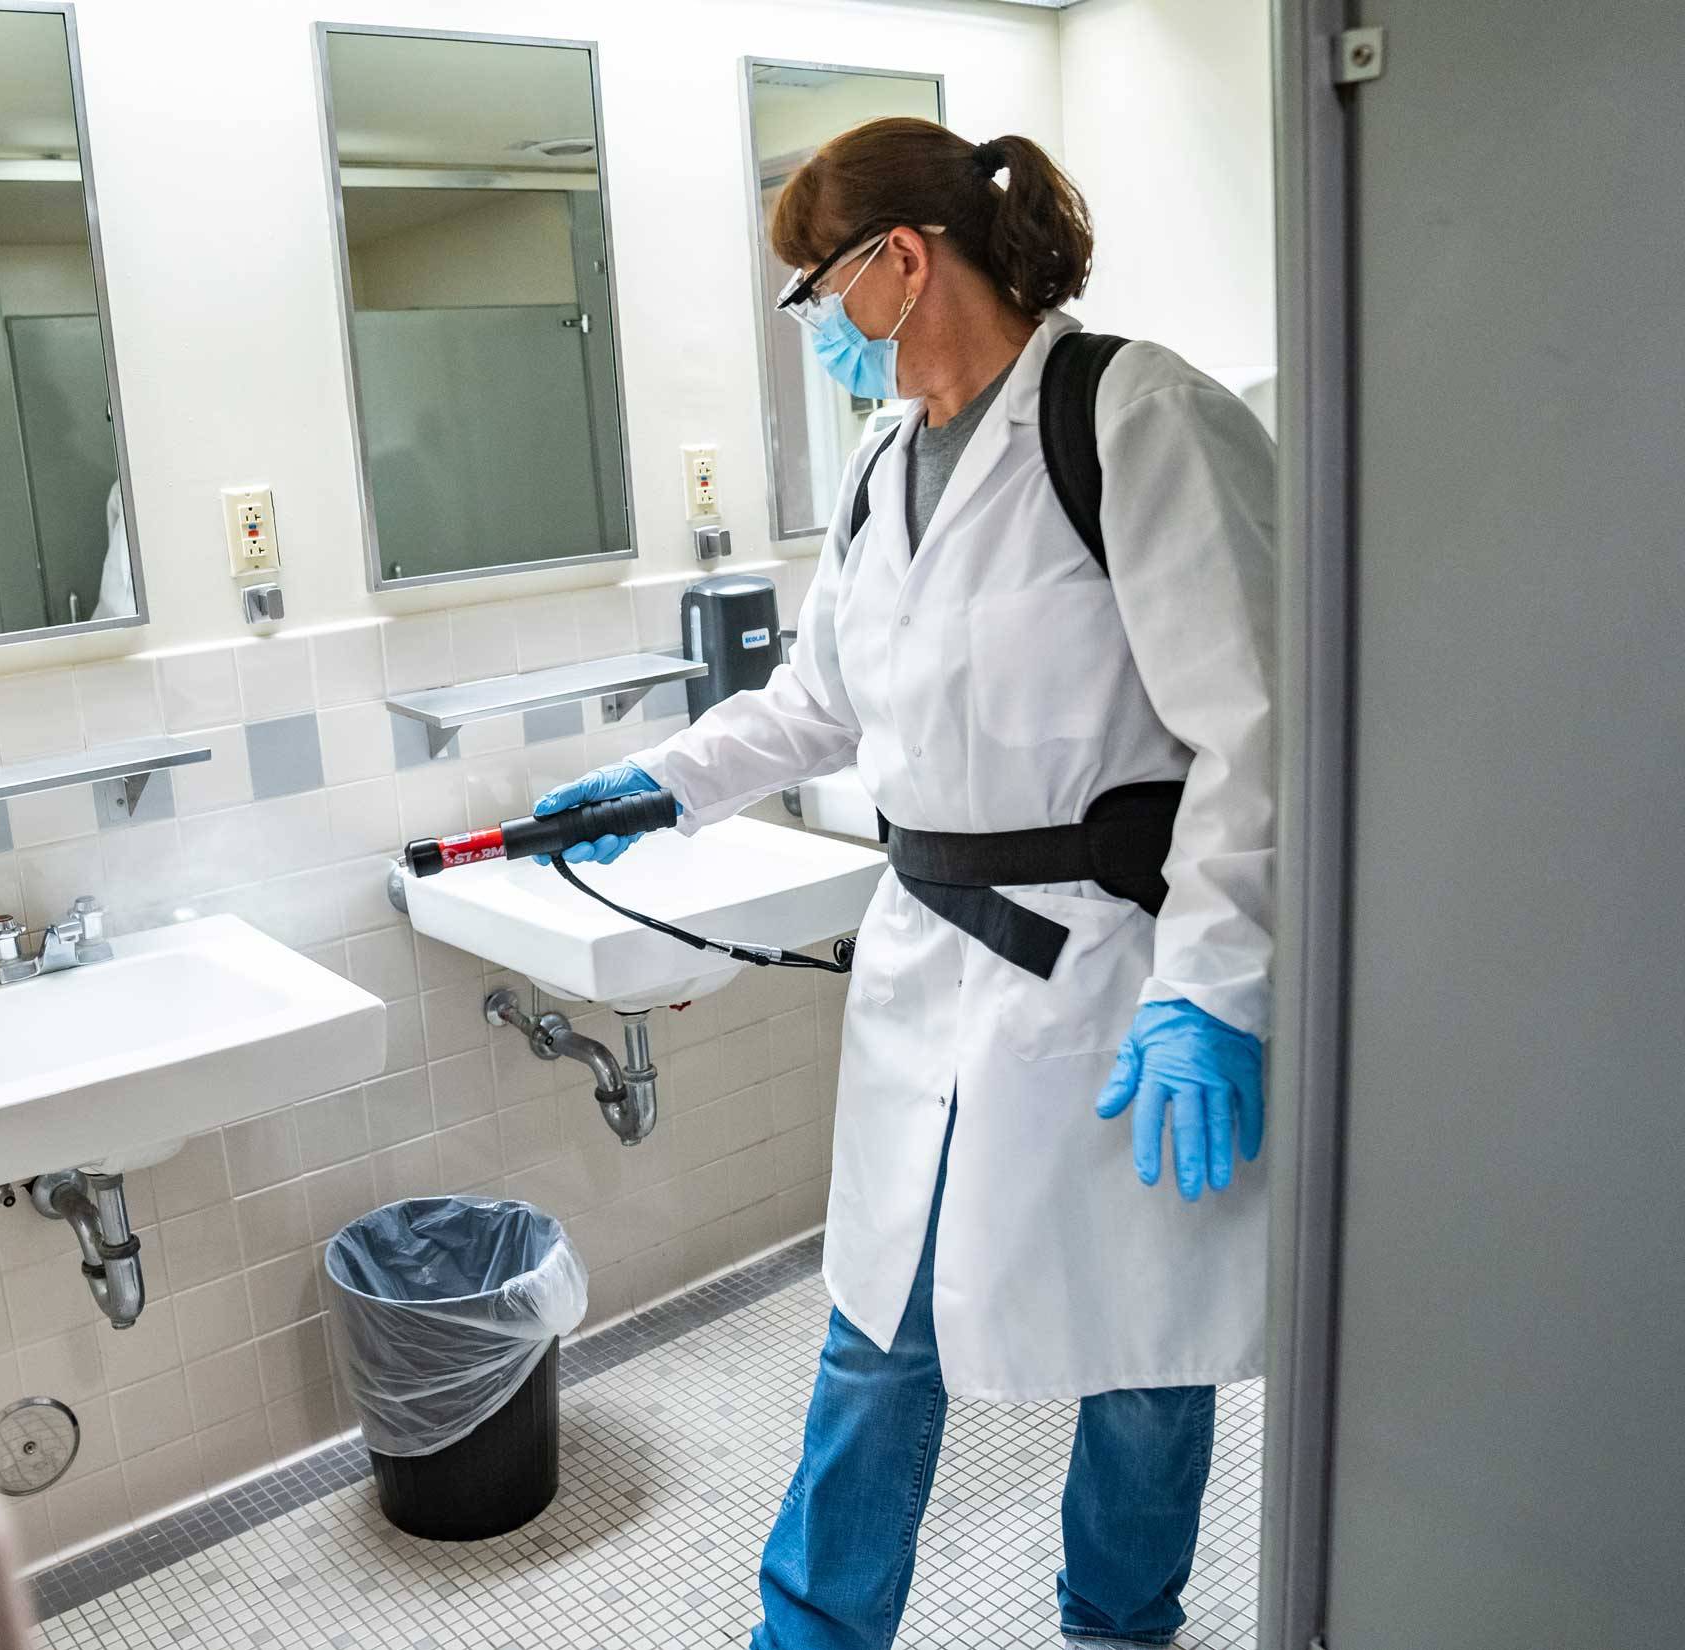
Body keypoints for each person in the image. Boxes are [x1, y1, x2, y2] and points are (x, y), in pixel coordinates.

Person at [536, 117, 1275, 1649]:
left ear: (901, 262)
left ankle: (1122, 1620)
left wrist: (1217, 991)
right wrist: (661, 782)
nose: (817, 336)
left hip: (1111, 977)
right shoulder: (884, 466)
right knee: (879, 1333)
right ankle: (811, 1628)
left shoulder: (1130, 416)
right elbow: (820, 700)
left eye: (816, 296)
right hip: (926, 965)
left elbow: (1256, 731)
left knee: (1143, 1350)